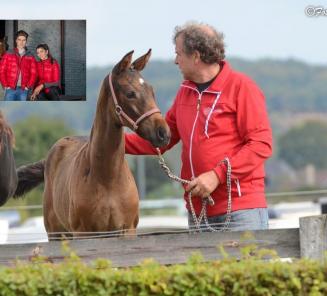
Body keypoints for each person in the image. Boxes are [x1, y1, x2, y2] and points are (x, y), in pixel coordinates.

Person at [125, 22, 273, 231]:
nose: (176, 60)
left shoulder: (243, 88)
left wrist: (216, 176)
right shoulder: (185, 91)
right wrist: (110, 142)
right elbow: (162, 138)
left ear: (195, 56)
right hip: (198, 212)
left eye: (178, 54)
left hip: (241, 213)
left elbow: (260, 145)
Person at [0, 30, 37, 101]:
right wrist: (5, 85)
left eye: (24, 40)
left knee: (22, 111)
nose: (21, 42)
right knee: (8, 110)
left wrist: (28, 86)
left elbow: (34, 73)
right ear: (16, 40)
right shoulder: (8, 54)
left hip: (24, 90)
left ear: (26, 41)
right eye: (19, 40)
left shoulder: (30, 56)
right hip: (10, 88)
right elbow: (2, 70)